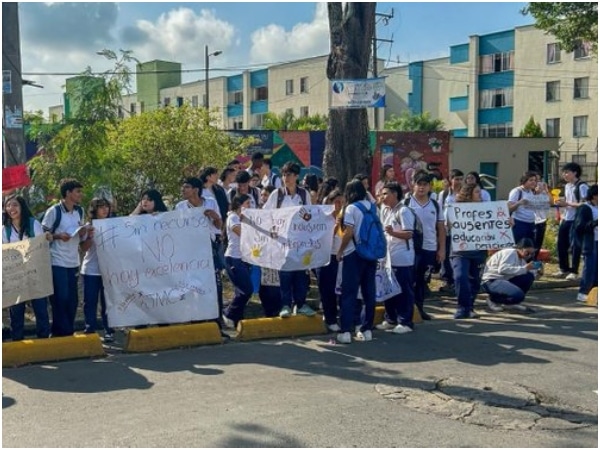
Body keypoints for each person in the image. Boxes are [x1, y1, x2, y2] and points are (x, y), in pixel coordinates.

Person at [263, 161, 316, 318]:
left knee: (300, 273)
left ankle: (301, 304)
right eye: (284, 174)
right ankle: (285, 305)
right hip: (282, 241)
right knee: (285, 274)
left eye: (290, 175)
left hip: (300, 241)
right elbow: (267, 214)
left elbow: (310, 215)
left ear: (296, 176)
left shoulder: (303, 194)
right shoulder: (277, 195)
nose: (287, 178)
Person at [174, 177, 227, 333]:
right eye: (183, 187)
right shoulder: (180, 206)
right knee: (191, 283)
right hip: (189, 249)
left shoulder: (210, 202)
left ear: (196, 190)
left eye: (186, 187)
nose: (183, 190)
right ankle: (194, 318)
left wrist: (214, 216)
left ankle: (216, 319)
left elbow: (219, 225)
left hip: (209, 246)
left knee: (214, 283)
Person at [42, 178, 89, 337]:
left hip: (73, 260)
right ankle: (58, 331)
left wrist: (83, 232)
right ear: (68, 193)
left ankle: (67, 330)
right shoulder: (54, 211)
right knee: (60, 297)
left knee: (72, 299)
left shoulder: (79, 211)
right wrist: (58, 236)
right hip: (56, 260)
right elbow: (43, 235)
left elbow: (81, 234)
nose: (80, 195)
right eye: (78, 191)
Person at [2, 195, 52, 341]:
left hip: (34, 271)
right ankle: (17, 338)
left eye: (15, 205)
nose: (12, 208)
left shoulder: (33, 224)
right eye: (8, 205)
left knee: (40, 306)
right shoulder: (4, 229)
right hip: (15, 274)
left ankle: (43, 337)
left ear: (22, 207)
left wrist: (46, 237)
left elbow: (40, 245)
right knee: (16, 309)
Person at [336, 179, 379, 343]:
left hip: (353, 254)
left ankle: (346, 331)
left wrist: (340, 251)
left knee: (349, 293)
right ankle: (366, 329)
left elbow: (348, 233)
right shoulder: (373, 207)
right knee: (369, 293)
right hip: (371, 254)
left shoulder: (351, 209)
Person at [376, 182, 416, 334]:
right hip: (388, 257)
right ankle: (391, 318)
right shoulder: (385, 210)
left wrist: (393, 233)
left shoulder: (404, 211)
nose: (383, 197)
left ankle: (405, 321)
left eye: (386, 194)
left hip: (402, 257)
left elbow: (409, 233)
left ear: (395, 194)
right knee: (389, 289)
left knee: (403, 290)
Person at [405, 173, 445, 320]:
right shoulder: (407, 203)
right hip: (410, 248)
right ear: (413, 185)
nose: (421, 187)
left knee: (422, 281)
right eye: (419, 184)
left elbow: (441, 227)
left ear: (430, 186)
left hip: (430, 247)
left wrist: (442, 249)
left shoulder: (435, 204)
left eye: (425, 184)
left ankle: (419, 309)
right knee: (410, 279)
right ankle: (406, 310)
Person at [449, 184, 488, 319]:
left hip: (479, 251)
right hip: (460, 251)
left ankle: (469, 307)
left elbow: (494, 226)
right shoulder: (455, 209)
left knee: (475, 281)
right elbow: (447, 225)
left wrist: (507, 223)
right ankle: (462, 307)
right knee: (460, 277)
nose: (480, 195)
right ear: (468, 194)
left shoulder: (486, 210)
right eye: (477, 192)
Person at [80, 197, 114, 342]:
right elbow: (82, 249)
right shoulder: (88, 227)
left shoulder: (114, 225)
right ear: (95, 210)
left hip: (108, 269)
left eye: (106, 206)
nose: (104, 209)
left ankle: (109, 330)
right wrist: (90, 238)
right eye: (101, 207)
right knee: (90, 301)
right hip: (91, 270)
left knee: (107, 302)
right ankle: (90, 329)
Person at [222, 194, 255, 327]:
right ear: (240, 205)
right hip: (234, 258)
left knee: (241, 289)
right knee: (246, 290)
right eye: (247, 203)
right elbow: (241, 232)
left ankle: (236, 318)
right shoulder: (233, 217)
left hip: (243, 257)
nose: (250, 206)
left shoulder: (242, 218)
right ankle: (228, 313)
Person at [481, 238, 537, 313]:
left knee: (528, 276)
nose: (529, 256)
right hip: (491, 280)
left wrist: (537, 272)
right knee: (519, 295)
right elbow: (503, 269)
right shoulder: (510, 252)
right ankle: (493, 299)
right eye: (527, 253)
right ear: (519, 249)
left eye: (532, 253)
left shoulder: (521, 260)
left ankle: (511, 302)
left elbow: (524, 272)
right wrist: (525, 268)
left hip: (503, 280)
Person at [553, 162, 588, 280]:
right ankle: (563, 269)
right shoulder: (567, 186)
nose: (565, 175)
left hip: (576, 220)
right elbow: (568, 202)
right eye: (563, 172)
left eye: (567, 172)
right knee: (561, 244)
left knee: (575, 246)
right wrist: (562, 206)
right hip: (566, 218)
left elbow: (585, 204)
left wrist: (567, 203)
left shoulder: (582, 186)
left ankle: (574, 271)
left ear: (575, 173)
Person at [316, 188, 344, 332]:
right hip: (327, 257)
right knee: (328, 290)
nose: (339, 206)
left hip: (343, 257)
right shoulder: (324, 218)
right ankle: (330, 318)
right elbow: (322, 239)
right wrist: (335, 226)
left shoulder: (347, 217)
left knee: (341, 290)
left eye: (342, 203)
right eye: (336, 202)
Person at [436, 169, 464, 293]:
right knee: (446, 254)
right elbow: (440, 210)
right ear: (450, 180)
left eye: (461, 179)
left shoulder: (465, 194)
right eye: (456, 179)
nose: (459, 182)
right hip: (447, 229)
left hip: (461, 229)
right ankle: (447, 279)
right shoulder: (444, 194)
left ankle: (458, 280)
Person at [573, 184, 598, 302]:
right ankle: (583, 292)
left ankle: (595, 292)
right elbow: (580, 227)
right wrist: (595, 222)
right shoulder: (585, 208)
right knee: (590, 267)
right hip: (590, 242)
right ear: (594, 196)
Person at [507, 171, 538, 245]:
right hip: (519, 223)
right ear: (524, 180)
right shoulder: (516, 191)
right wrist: (519, 203)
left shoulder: (531, 191)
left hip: (531, 223)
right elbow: (509, 208)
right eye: (531, 180)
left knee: (530, 246)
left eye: (535, 180)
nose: (533, 182)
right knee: (519, 246)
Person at [533, 174, 551, 259]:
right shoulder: (528, 191)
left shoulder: (543, 192)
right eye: (535, 180)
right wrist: (536, 193)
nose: (538, 183)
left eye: (539, 180)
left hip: (542, 220)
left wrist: (546, 190)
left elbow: (551, 202)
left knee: (538, 244)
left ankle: (534, 260)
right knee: (530, 243)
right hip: (531, 221)